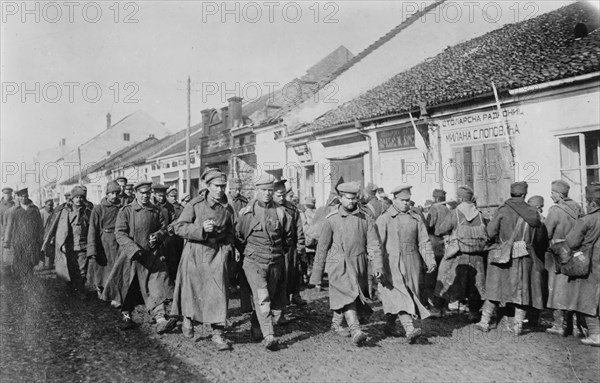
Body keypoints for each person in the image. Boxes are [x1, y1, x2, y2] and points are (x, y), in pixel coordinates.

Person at [309, 181, 383, 345]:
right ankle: (356, 330)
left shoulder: (365, 219)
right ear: (340, 198)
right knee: (347, 296)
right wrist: (317, 276)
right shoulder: (331, 219)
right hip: (338, 265)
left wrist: (377, 265)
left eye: (353, 199)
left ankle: (336, 323)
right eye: (347, 198)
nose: (351, 202)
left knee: (350, 295)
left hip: (359, 264)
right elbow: (322, 248)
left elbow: (373, 244)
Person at [171, 169, 236, 351]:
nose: (220, 190)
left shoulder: (227, 208)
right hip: (195, 254)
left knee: (219, 293)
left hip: (216, 255)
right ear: (208, 186)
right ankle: (188, 318)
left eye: (223, 186)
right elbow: (179, 227)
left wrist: (227, 248)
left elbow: (231, 233)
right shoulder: (195, 204)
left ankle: (218, 333)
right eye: (216, 186)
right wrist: (200, 229)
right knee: (194, 291)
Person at [102, 181, 177, 334]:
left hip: (151, 256)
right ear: (136, 193)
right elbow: (120, 233)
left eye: (148, 193)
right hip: (132, 257)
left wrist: (157, 236)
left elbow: (164, 229)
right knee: (129, 287)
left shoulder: (155, 211)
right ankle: (126, 316)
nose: (145, 196)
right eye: (142, 193)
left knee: (156, 286)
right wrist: (134, 249)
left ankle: (161, 319)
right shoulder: (127, 211)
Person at [476, 181, 548, 335]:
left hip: (503, 254)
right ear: (524, 194)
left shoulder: (503, 210)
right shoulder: (533, 212)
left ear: (512, 193)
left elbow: (490, 233)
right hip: (525, 255)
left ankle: (484, 321)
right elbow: (541, 239)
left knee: (495, 288)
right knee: (522, 292)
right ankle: (518, 326)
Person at [236, 174, 293, 350]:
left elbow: (287, 238)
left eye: (270, 190)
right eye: (263, 190)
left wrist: (276, 253)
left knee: (270, 296)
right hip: (254, 261)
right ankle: (269, 335)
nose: (267, 193)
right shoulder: (246, 213)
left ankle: (256, 325)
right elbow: (239, 237)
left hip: (275, 261)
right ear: (256, 191)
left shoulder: (281, 212)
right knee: (263, 297)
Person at [376, 185, 436, 343]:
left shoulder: (416, 218)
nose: (405, 203)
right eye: (402, 200)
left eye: (408, 200)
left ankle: (389, 325)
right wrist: (377, 266)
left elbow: (424, 241)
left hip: (412, 263)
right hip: (391, 264)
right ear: (394, 199)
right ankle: (409, 329)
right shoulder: (385, 218)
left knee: (407, 294)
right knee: (400, 294)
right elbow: (377, 245)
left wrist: (430, 260)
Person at [433, 185, 487, 321]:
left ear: (460, 198)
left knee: (444, 276)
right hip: (477, 255)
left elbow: (441, 230)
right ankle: (474, 312)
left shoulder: (455, 213)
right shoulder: (480, 214)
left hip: (458, 253)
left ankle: (438, 309)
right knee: (477, 283)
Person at [544, 180, 585, 337]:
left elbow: (546, 233)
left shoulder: (555, 210)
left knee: (557, 288)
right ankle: (576, 327)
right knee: (573, 289)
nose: (551, 195)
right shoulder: (578, 207)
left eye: (553, 193)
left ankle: (559, 325)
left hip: (558, 254)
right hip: (575, 253)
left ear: (559, 194)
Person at [565, 184, 600, 346]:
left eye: (587, 202)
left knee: (587, 297)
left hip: (591, 263)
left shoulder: (587, 220)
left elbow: (571, 242)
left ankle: (595, 334)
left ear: (593, 203)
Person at [42, 185, 92, 298]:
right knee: (70, 268)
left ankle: (80, 290)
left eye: (81, 197)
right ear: (72, 198)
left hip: (83, 245)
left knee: (82, 270)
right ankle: (70, 289)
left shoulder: (88, 212)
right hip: (69, 246)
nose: (79, 200)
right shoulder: (65, 211)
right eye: (76, 197)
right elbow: (56, 228)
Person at [273, 179, 307, 311]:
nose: (281, 198)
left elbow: (299, 228)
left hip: (290, 246)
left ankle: (294, 295)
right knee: (280, 275)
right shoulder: (270, 207)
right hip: (277, 247)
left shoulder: (292, 207)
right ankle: (281, 302)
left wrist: (300, 245)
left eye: (283, 195)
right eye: (278, 195)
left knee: (293, 271)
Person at [87, 181, 123, 301]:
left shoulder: (122, 208)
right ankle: (100, 289)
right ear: (107, 194)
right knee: (101, 268)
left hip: (118, 240)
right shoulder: (98, 209)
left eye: (117, 193)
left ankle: (114, 292)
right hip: (103, 241)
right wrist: (92, 248)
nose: (114, 196)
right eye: (112, 193)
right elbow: (93, 228)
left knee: (116, 266)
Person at [3, 188, 43, 278]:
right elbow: (9, 227)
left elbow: (40, 226)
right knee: (19, 260)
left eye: (26, 196)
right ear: (18, 197)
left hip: (32, 240)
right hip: (19, 240)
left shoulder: (35, 209)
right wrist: (7, 241)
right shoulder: (13, 211)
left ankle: (28, 278)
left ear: (28, 196)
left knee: (30, 261)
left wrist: (40, 238)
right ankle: (19, 278)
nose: (24, 198)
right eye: (22, 197)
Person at [228, 179, 252, 313]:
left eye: (239, 189)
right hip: (229, 238)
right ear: (230, 189)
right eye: (235, 189)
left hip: (241, 238)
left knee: (244, 271)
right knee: (229, 270)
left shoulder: (244, 201)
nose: (237, 192)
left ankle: (246, 305)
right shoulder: (225, 201)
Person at [425, 189, 450, 316]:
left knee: (431, 276)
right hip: (444, 245)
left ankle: (434, 306)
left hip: (434, 244)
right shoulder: (448, 209)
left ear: (436, 198)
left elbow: (429, 225)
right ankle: (444, 307)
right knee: (442, 275)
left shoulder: (435, 208)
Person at [300, 196, 317, 284]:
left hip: (306, 240)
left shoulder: (303, 214)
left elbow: (303, 227)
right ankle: (313, 277)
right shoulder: (318, 213)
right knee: (313, 260)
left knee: (304, 260)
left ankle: (305, 276)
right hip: (315, 241)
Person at [0, 187, 16, 272]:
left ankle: (12, 269)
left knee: (12, 252)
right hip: (2, 232)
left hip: (13, 232)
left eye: (9, 193)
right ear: (3, 194)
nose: (7, 195)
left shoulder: (14, 204)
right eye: (6, 194)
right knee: (3, 253)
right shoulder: (0, 206)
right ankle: (4, 271)